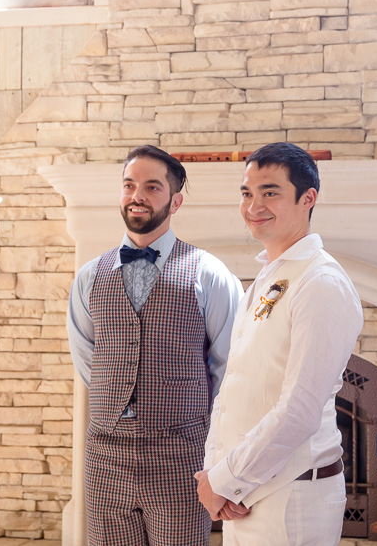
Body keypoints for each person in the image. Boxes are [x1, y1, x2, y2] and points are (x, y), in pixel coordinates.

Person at [67, 145, 243, 546]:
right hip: (106, 455)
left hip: (180, 457)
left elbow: (229, 370)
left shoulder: (210, 274)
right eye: (129, 185)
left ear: (175, 200)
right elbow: (89, 360)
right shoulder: (90, 276)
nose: (137, 196)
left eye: (152, 187)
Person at [195, 142, 363, 546]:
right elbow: (235, 386)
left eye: (270, 192)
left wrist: (226, 479)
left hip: (292, 498)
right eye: (247, 193)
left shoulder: (320, 283)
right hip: (246, 494)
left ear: (308, 198)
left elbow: (299, 409)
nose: (254, 205)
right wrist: (217, 474)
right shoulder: (267, 279)